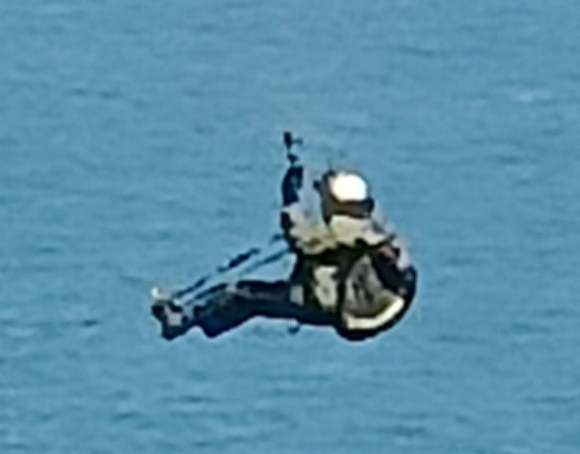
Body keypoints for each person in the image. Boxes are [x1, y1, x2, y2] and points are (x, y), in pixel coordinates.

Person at [150, 135, 417, 342]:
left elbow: (300, 238)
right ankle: (193, 317)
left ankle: (182, 321)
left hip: (337, 306)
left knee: (243, 296)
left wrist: (291, 195)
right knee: (253, 297)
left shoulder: (343, 228)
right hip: (365, 307)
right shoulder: (371, 226)